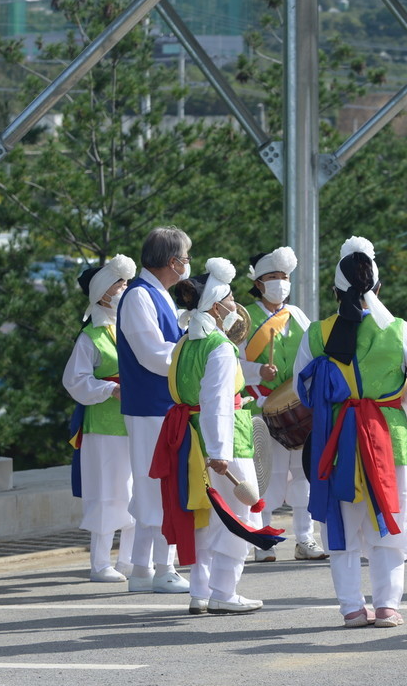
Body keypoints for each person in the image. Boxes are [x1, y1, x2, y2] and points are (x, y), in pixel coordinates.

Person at [295, 237, 407, 628]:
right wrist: (403, 409)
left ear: (335, 290)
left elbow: (302, 389)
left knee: (341, 521)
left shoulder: (317, 333)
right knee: (389, 516)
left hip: (336, 439)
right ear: (378, 287)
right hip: (388, 436)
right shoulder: (400, 330)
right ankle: (387, 605)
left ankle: (351, 608)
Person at [160, 258, 263, 614]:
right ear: (217, 307)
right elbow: (216, 401)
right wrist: (220, 451)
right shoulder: (219, 345)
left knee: (203, 515)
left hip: (189, 438)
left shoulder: (184, 343)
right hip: (224, 437)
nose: (236, 304)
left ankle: (200, 592)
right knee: (235, 514)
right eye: (231, 298)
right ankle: (224, 591)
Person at [115, 226, 192, 595]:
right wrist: (193, 354)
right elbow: (153, 355)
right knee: (159, 486)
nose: (188, 264)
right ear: (173, 262)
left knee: (154, 485)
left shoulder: (155, 294)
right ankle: (164, 568)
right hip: (151, 406)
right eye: (186, 258)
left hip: (161, 405)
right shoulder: (139, 297)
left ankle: (143, 569)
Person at [239, 246, 325, 562]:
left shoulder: (298, 315)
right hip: (261, 405)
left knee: (303, 476)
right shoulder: (243, 318)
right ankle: (264, 539)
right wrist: (256, 371)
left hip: (298, 407)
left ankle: (305, 538)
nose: (281, 282)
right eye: (273, 276)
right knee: (266, 475)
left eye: (285, 276)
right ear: (259, 283)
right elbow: (229, 361)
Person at [63, 254, 138, 582]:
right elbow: (74, 381)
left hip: (134, 420)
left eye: (126, 282)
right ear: (101, 292)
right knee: (107, 492)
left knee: (136, 492)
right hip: (104, 426)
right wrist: (110, 389)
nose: (124, 288)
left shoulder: (131, 327)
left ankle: (129, 559)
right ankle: (100, 563)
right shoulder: (90, 336)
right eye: (118, 283)